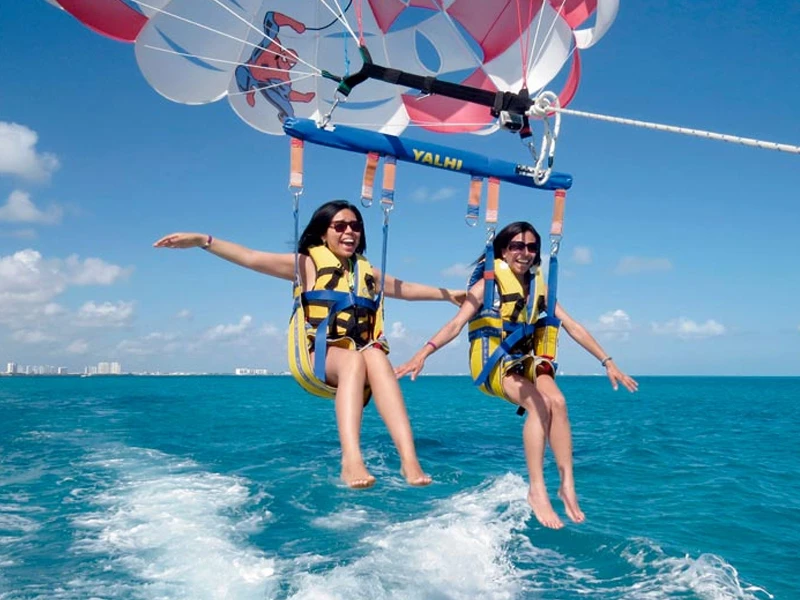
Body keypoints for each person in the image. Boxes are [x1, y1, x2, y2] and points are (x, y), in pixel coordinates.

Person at [154, 200, 464, 489]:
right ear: (322, 232)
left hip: (361, 361)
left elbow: (405, 288)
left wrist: (448, 294)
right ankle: (351, 459)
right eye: (339, 225)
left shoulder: (365, 271)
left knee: (377, 356)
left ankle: (409, 459)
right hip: (319, 358)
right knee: (355, 359)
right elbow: (251, 258)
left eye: (355, 226)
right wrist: (203, 241)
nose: (349, 231)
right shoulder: (307, 263)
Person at [395, 221, 638, 529]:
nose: (525, 253)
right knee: (539, 404)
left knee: (558, 403)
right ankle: (536, 489)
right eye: (517, 246)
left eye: (532, 247)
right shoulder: (487, 285)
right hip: (494, 365)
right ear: (503, 251)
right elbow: (456, 325)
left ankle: (566, 485)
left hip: (525, 359)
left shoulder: (539, 287)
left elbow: (573, 326)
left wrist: (607, 361)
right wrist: (423, 353)